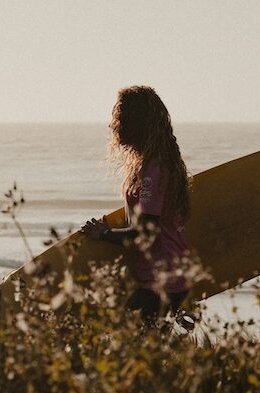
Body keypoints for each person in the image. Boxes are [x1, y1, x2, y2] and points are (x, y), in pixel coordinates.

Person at [81, 85, 192, 326]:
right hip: (164, 276)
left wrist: (104, 234)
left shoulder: (154, 169)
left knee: (131, 346)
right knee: (146, 352)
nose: (114, 125)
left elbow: (146, 233)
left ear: (135, 123)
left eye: (120, 118)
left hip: (162, 281)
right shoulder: (155, 163)